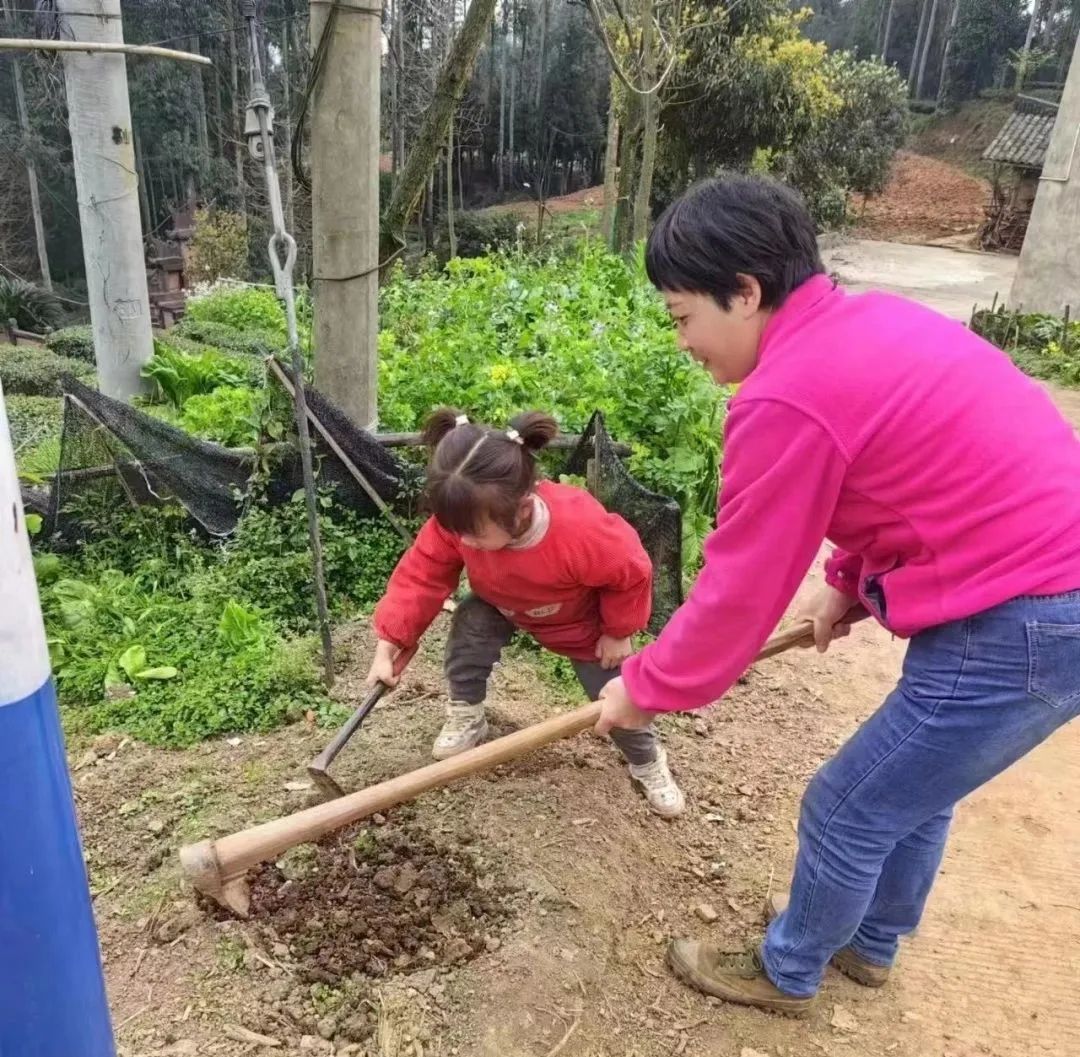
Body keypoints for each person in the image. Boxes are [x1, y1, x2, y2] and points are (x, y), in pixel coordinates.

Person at [595, 174, 1080, 1014]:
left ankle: (788, 970)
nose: (682, 342)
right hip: (1036, 590)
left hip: (1023, 611)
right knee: (911, 789)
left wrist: (645, 687)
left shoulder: (786, 393)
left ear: (744, 292)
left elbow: (740, 588)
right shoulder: (865, 325)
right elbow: (901, 474)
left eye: (682, 317)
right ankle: (870, 940)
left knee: (846, 805)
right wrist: (847, 579)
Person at [368, 407, 686, 818]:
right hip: (501, 604)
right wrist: (391, 639)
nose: (462, 540)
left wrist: (618, 629)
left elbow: (632, 572)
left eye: (474, 534)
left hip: (579, 624)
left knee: (615, 697)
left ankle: (647, 761)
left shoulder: (579, 529)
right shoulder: (462, 522)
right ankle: (467, 714)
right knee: (470, 623)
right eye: (455, 530)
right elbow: (422, 574)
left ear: (520, 509)